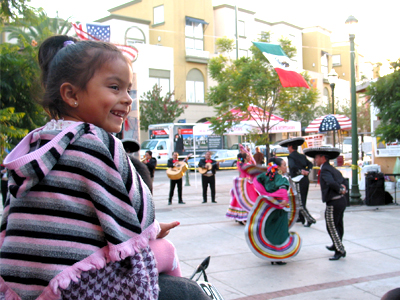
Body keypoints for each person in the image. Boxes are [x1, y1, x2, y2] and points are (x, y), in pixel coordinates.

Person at [0, 35, 182, 300]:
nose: (127, 99)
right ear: (71, 94)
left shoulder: (35, 144)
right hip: (74, 285)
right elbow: (141, 215)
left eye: (128, 89)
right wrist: (155, 229)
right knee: (166, 249)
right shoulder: (98, 142)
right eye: (114, 88)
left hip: (19, 283)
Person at [303, 147, 348, 261]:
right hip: (340, 201)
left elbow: (331, 182)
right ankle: (336, 244)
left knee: (331, 226)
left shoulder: (325, 170)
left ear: (323, 158)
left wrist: (340, 189)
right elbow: (343, 180)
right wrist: (343, 187)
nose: (315, 159)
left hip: (334, 201)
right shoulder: (331, 168)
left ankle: (339, 249)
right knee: (338, 225)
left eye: (317, 157)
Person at [279, 137, 316, 227]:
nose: (288, 149)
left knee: (299, 201)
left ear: (291, 147)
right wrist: (307, 170)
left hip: (298, 180)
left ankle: (310, 219)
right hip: (305, 180)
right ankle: (301, 217)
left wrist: (300, 171)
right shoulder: (302, 156)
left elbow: (293, 167)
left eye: (288, 147)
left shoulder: (291, 157)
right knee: (303, 199)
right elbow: (310, 164)